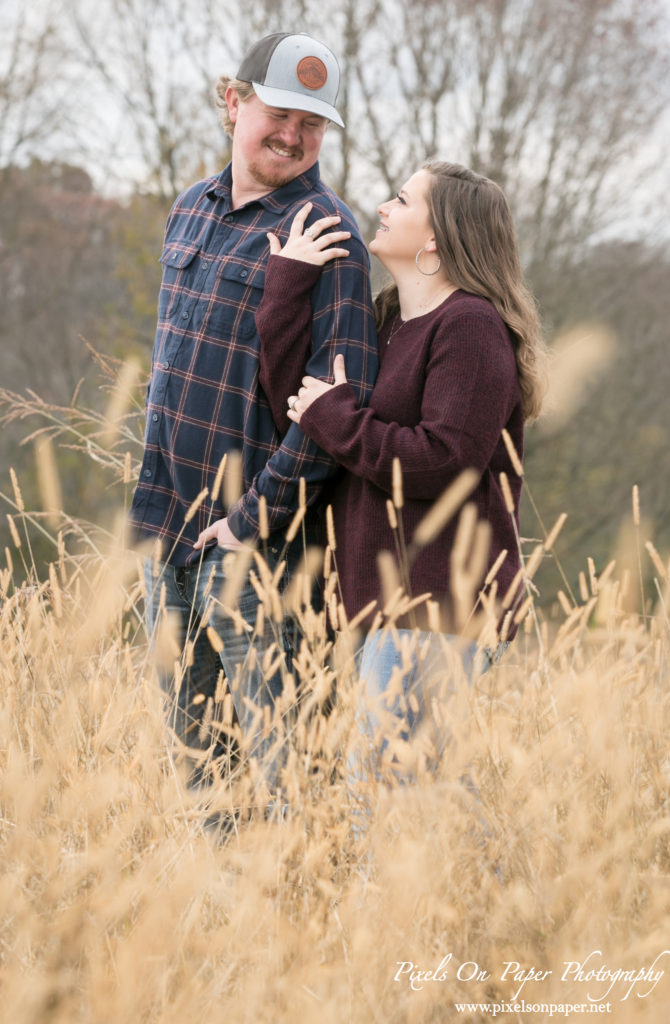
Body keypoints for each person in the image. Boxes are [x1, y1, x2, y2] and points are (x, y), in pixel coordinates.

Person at [129, 32, 378, 803]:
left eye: (312, 125)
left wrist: (249, 520)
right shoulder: (188, 211)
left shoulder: (329, 239)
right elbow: (171, 374)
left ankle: (299, 920)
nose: (293, 137)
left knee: (286, 778)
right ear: (232, 102)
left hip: (259, 554)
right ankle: (226, 921)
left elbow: (331, 408)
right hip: (167, 534)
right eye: (279, 114)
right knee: (200, 773)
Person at [255, 161, 547, 772]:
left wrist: (333, 417)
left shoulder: (469, 326)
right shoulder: (388, 323)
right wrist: (287, 285)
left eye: (401, 199)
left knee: (390, 799)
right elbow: (302, 412)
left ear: (437, 235)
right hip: (374, 599)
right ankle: (495, 873)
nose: (383, 209)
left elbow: (441, 461)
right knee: (411, 799)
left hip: (437, 598)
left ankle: (496, 873)